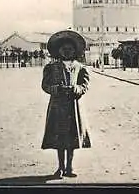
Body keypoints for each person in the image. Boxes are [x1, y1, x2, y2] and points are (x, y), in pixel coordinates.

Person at [41, 29, 91, 178]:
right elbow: (45, 85)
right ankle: (60, 167)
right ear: (59, 50)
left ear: (75, 51)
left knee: (71, 138)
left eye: (70, 49)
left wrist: (77, 89)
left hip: (73, 107)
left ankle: (69, 167)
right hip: (57, 107)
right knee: (59, 138)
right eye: (64, 49)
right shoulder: (51, 67)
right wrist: (56, 89)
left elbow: (85, 85)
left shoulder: (80, 68)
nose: (67, 52)